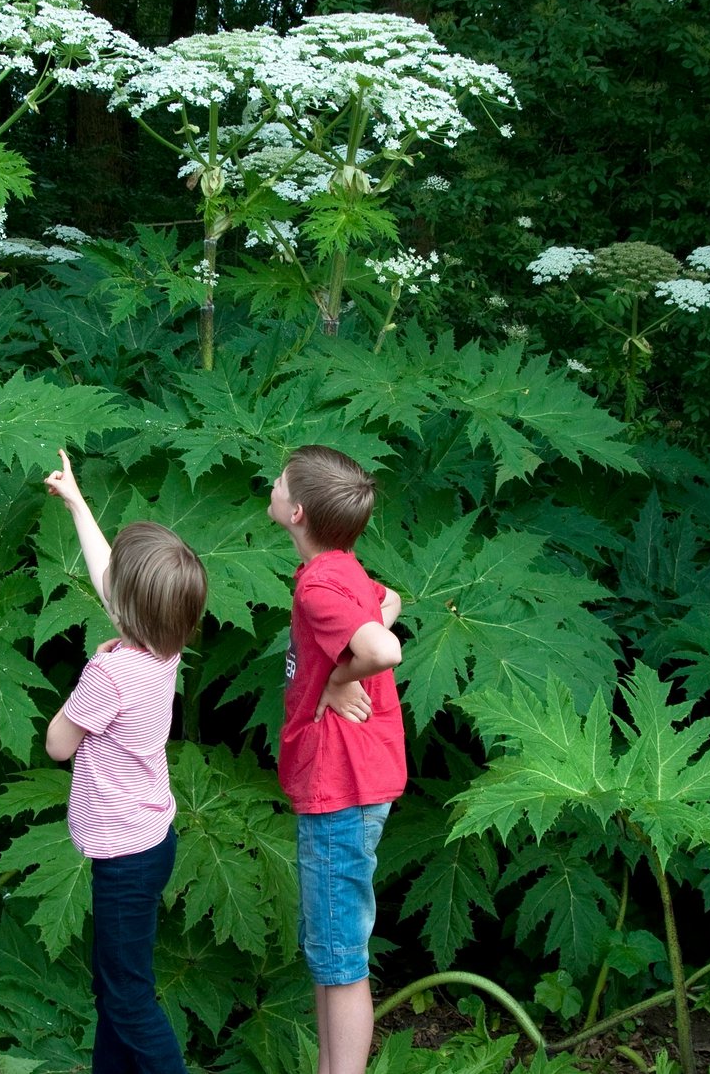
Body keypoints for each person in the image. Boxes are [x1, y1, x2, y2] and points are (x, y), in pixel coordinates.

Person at [43, 449, 206, 1074]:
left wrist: (82, 687)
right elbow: (111, 573)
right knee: (114, 990)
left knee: (129, 996)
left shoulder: (110, 670)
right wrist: (78, 502)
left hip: (123, 859)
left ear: (126, 613)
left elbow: (60, 744)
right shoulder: (162, 653)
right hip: (150, 840)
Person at [266, 445, 406, 1074]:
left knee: (340, 956)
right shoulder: (342, 567)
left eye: (279, 481)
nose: (270, 485)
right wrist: (333, 672)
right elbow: (391, 599)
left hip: (339, 788)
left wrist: (338, 674)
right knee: (330, 949)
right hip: (355, 783)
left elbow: (384, 644)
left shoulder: (321, 583)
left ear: (296, 511)